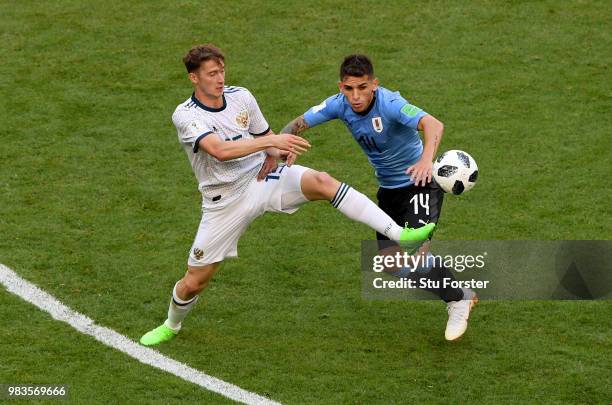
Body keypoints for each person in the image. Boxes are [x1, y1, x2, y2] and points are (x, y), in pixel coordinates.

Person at [140, 45, 434, 346]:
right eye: (212, 74)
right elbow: (220, 150)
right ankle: (171, 325)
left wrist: (277, 150)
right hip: (224, 201)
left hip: (261, 177)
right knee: (194, 281)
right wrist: (272, 141)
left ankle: (401, 234)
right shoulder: (185, 115)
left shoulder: (241, 96)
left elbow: (264, 138)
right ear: (193, 78)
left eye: (222, 71)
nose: (220, 79)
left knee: (322, 181)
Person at [280, 54, 477, 341]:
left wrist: (426, 161)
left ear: (374, 84)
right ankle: (460, 294)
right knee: (392, 265)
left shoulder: (391, 103)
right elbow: (297, 123)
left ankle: (457, 301)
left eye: (362, 87)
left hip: (420, 184)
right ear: (341, 87)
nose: (356, 96)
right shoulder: (338, 105)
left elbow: (433, 124)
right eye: (349, 89)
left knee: (415, 250)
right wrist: (281, 144)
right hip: (388, 192)